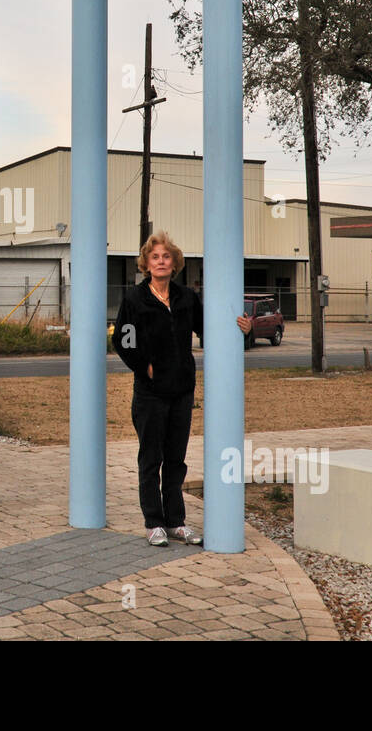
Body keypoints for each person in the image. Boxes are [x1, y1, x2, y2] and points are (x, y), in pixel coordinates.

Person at [111, 231, 253, 547]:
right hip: (149, 394)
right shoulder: (136, 299)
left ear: (174, 262)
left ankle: (176, 522)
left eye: (166, 256)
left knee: (176, 458)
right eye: (155, 257)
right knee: (151, 458)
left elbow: (208, 331)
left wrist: (243, 329)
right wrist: (144, 365)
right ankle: (154, 522)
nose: (161, 261)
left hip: (181, 392)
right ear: (146, 263)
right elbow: (123, 338)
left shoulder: (186, 297)